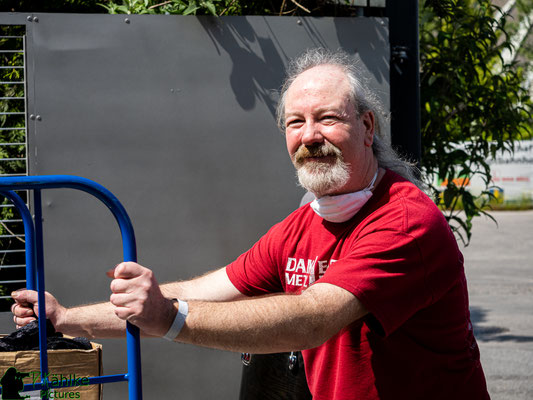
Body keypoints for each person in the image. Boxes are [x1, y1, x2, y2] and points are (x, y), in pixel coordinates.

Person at [11, 48, 489, 399]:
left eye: (327, 118)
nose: (310, 136)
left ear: (367, 128)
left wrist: (168, 318)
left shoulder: (402, 220)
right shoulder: (304, 222)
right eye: (294, 122)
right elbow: (208, 289)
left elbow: (313, 319)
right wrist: (66, 318)